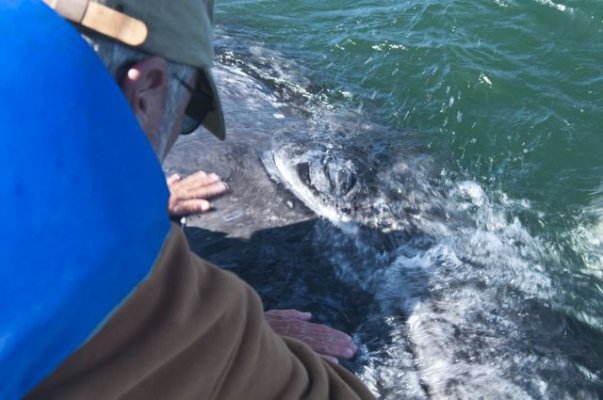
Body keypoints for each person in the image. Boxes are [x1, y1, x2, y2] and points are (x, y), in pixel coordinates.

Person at [22, 0, 374, 398]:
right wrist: (227, 347)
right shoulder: (113, 285)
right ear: (145, 93)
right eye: (190, 110)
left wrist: (142, 196)